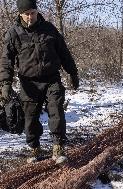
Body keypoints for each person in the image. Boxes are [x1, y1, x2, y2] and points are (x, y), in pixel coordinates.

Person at [0, 0, 79, 164]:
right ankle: (34, 148)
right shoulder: (13, 34)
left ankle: (58, 147)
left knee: (56, 110)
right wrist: (5, 83)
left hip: (51, 79)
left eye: (33, 13)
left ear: (37, 12)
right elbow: (6, 61)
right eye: (26, 14)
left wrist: (73, 72)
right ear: (20, 14)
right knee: (30, 118)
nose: (30, 17)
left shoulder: (49, 29)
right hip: (29, 83)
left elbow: (64, 52)